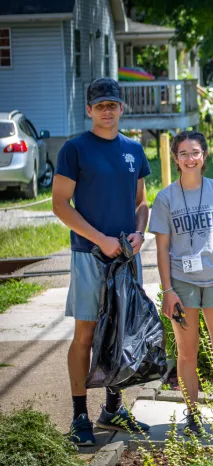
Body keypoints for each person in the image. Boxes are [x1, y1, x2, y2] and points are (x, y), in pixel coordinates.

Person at [53, 78, 151, 445]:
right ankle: (80, 415)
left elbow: (141, 203)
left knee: (122, 332)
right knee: (86, 335)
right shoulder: (74, 149)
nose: (107, 111)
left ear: (121, 108)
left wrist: (139, 234)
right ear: (89, 110)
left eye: (113, 104)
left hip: (125, 257)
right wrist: (101, 240)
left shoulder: (134, 150)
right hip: (89, 255)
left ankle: (113, 407)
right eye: (100, 105)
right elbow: (60, 204)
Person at [149, 131, 213, 436]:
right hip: (182, 284)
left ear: (204, 156)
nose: (190, 159)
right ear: (176, 159)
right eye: (183, 154)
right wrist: (167, 291)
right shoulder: (165, 198)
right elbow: (162, 248)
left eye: (195, 152)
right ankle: (192, 414)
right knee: (187, 353)